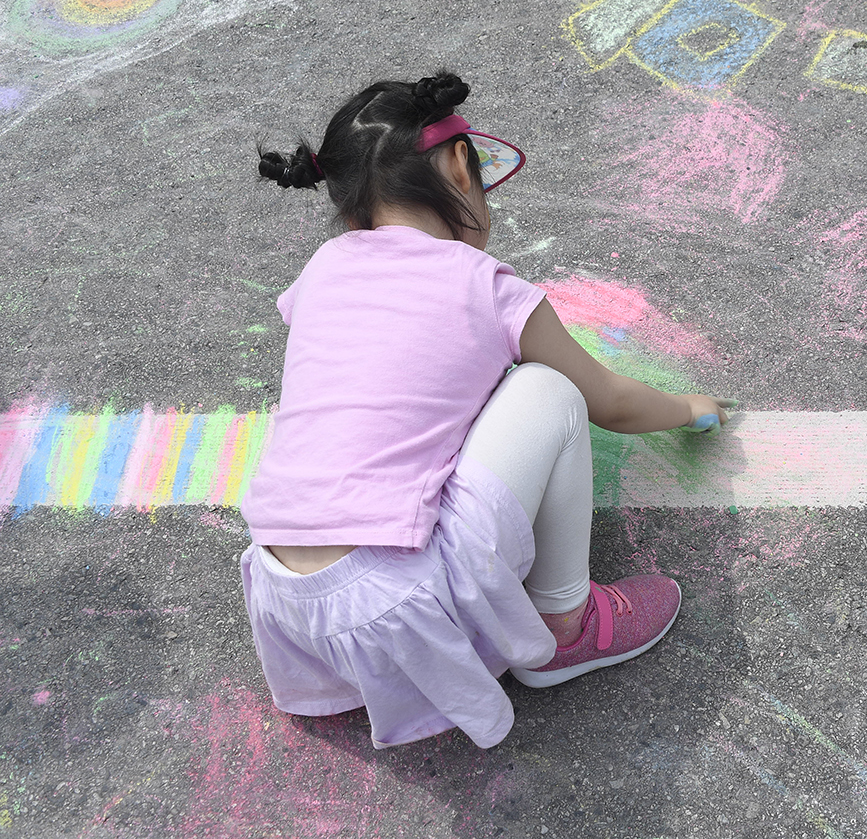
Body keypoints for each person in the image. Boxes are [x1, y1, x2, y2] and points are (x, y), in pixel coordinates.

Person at [241, 71, 732, 750]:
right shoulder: (486, 285)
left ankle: (363, 675)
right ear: (456, 167)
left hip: (287, 599)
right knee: (548, 392)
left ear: (352, 210)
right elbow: (611, 405)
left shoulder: (322, 271)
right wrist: (687, 407)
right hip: (399, 600)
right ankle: (566, 628)